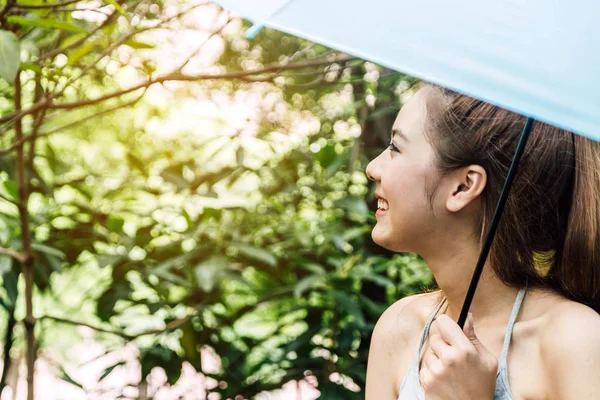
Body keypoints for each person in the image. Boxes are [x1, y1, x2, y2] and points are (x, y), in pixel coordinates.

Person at [364, 84, 600, 399]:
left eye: (395, 147)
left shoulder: (574, 340)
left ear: (463, 186)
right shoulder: (398, 328)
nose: (372, 168)